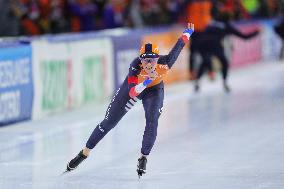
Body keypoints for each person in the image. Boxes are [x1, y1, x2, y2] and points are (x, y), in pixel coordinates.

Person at [64, 23, 195, 178]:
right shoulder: (135, 66)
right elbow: (133, 93)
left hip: (154, 91)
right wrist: (146, 81)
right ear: (140, 59)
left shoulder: (165, 62)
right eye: (145, 60)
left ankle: (143, 157)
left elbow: (179, 47)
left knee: (152, 121)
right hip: (133, 89)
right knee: (108, 123)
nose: (148, 64)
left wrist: (187, 33)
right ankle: (84, 153)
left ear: (157, 59)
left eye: (152, 60)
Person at [194, 19, 259, 92]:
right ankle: (224, 83)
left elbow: (198, 31)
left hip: (202, 44)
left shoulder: (211, 22)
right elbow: (244, 37)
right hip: (214, 44)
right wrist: (256, 32)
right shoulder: (226, 26)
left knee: (206, 61)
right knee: (223, 62)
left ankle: (199, 81)